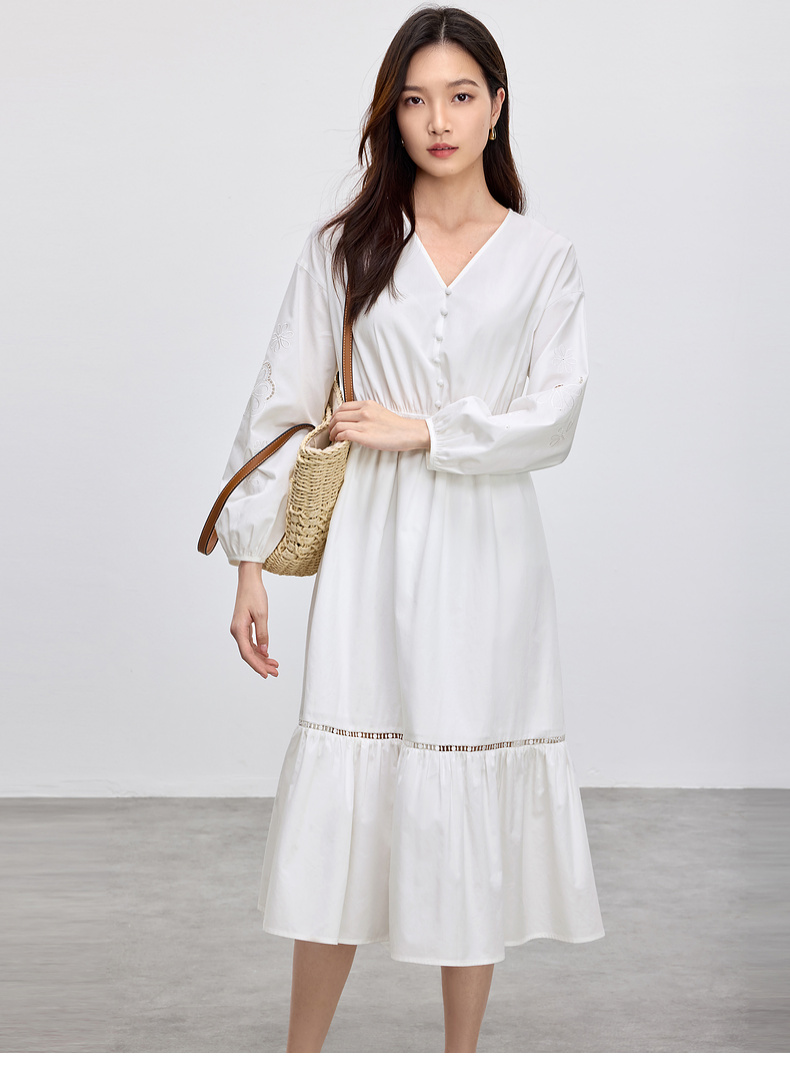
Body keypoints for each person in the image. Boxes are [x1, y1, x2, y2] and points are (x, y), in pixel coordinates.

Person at [213, 4, 605, 1053]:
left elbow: (555, 415)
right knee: (349, 800)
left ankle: (459, 1056)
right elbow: (281, 403)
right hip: (369, 551)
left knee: (466, 783)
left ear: (496, 107)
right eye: (416, 100)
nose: (438, 120)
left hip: (488, 550)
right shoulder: (345, 249)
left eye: (460, 96)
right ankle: (301, 1055)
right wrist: (249, 559)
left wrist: (426, 429)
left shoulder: (543, 258)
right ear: (392, 114)